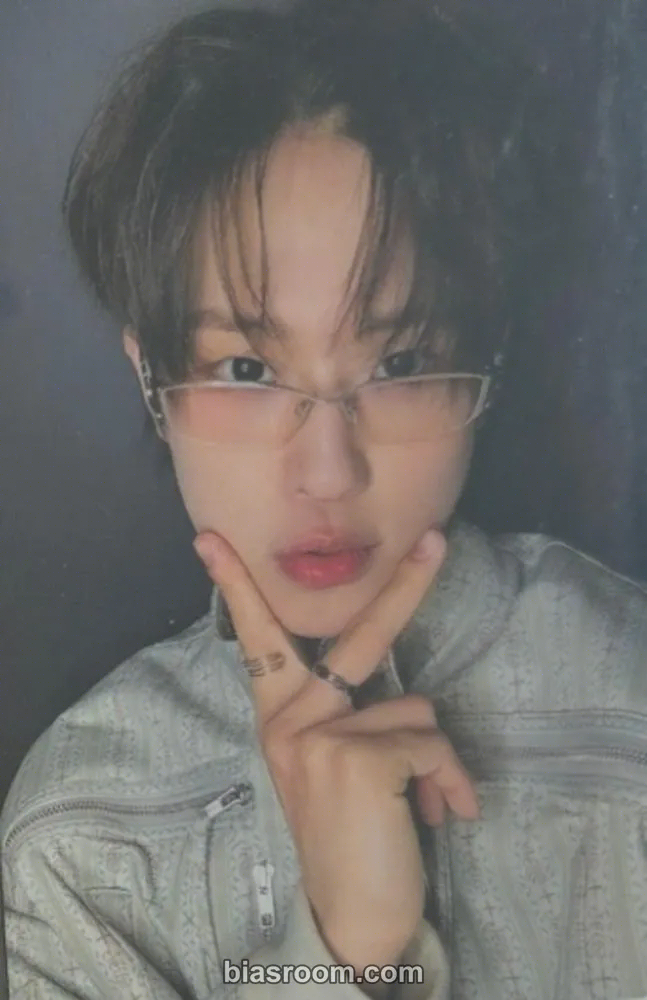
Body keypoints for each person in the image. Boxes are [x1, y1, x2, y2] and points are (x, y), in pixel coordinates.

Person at [2, 0, 647, 997]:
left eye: (400, 362)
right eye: (247, 368)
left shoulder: (627, 694)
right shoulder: (81, 836)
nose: (328, 471)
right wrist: (339, 953)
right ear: (149, 379)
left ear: (487, 364)